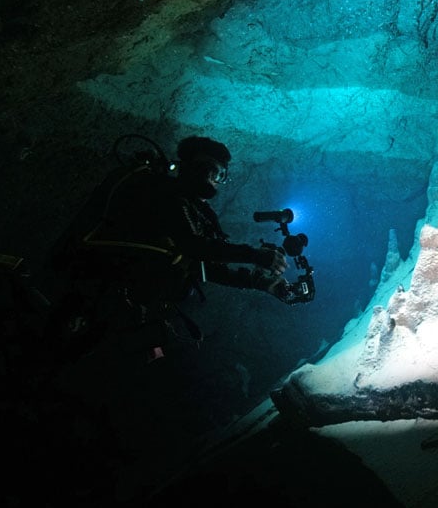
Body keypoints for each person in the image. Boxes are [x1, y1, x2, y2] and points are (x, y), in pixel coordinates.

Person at [49, 136, 287, 360]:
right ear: (194, 167)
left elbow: (207, 266)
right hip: (97, 294)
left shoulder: (195, 211)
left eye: (222, 174)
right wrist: (255, 256)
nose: (216, 178)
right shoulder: (165, 195)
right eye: (213, 169)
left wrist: (259, 282)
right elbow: (195, 247)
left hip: (128, 305)